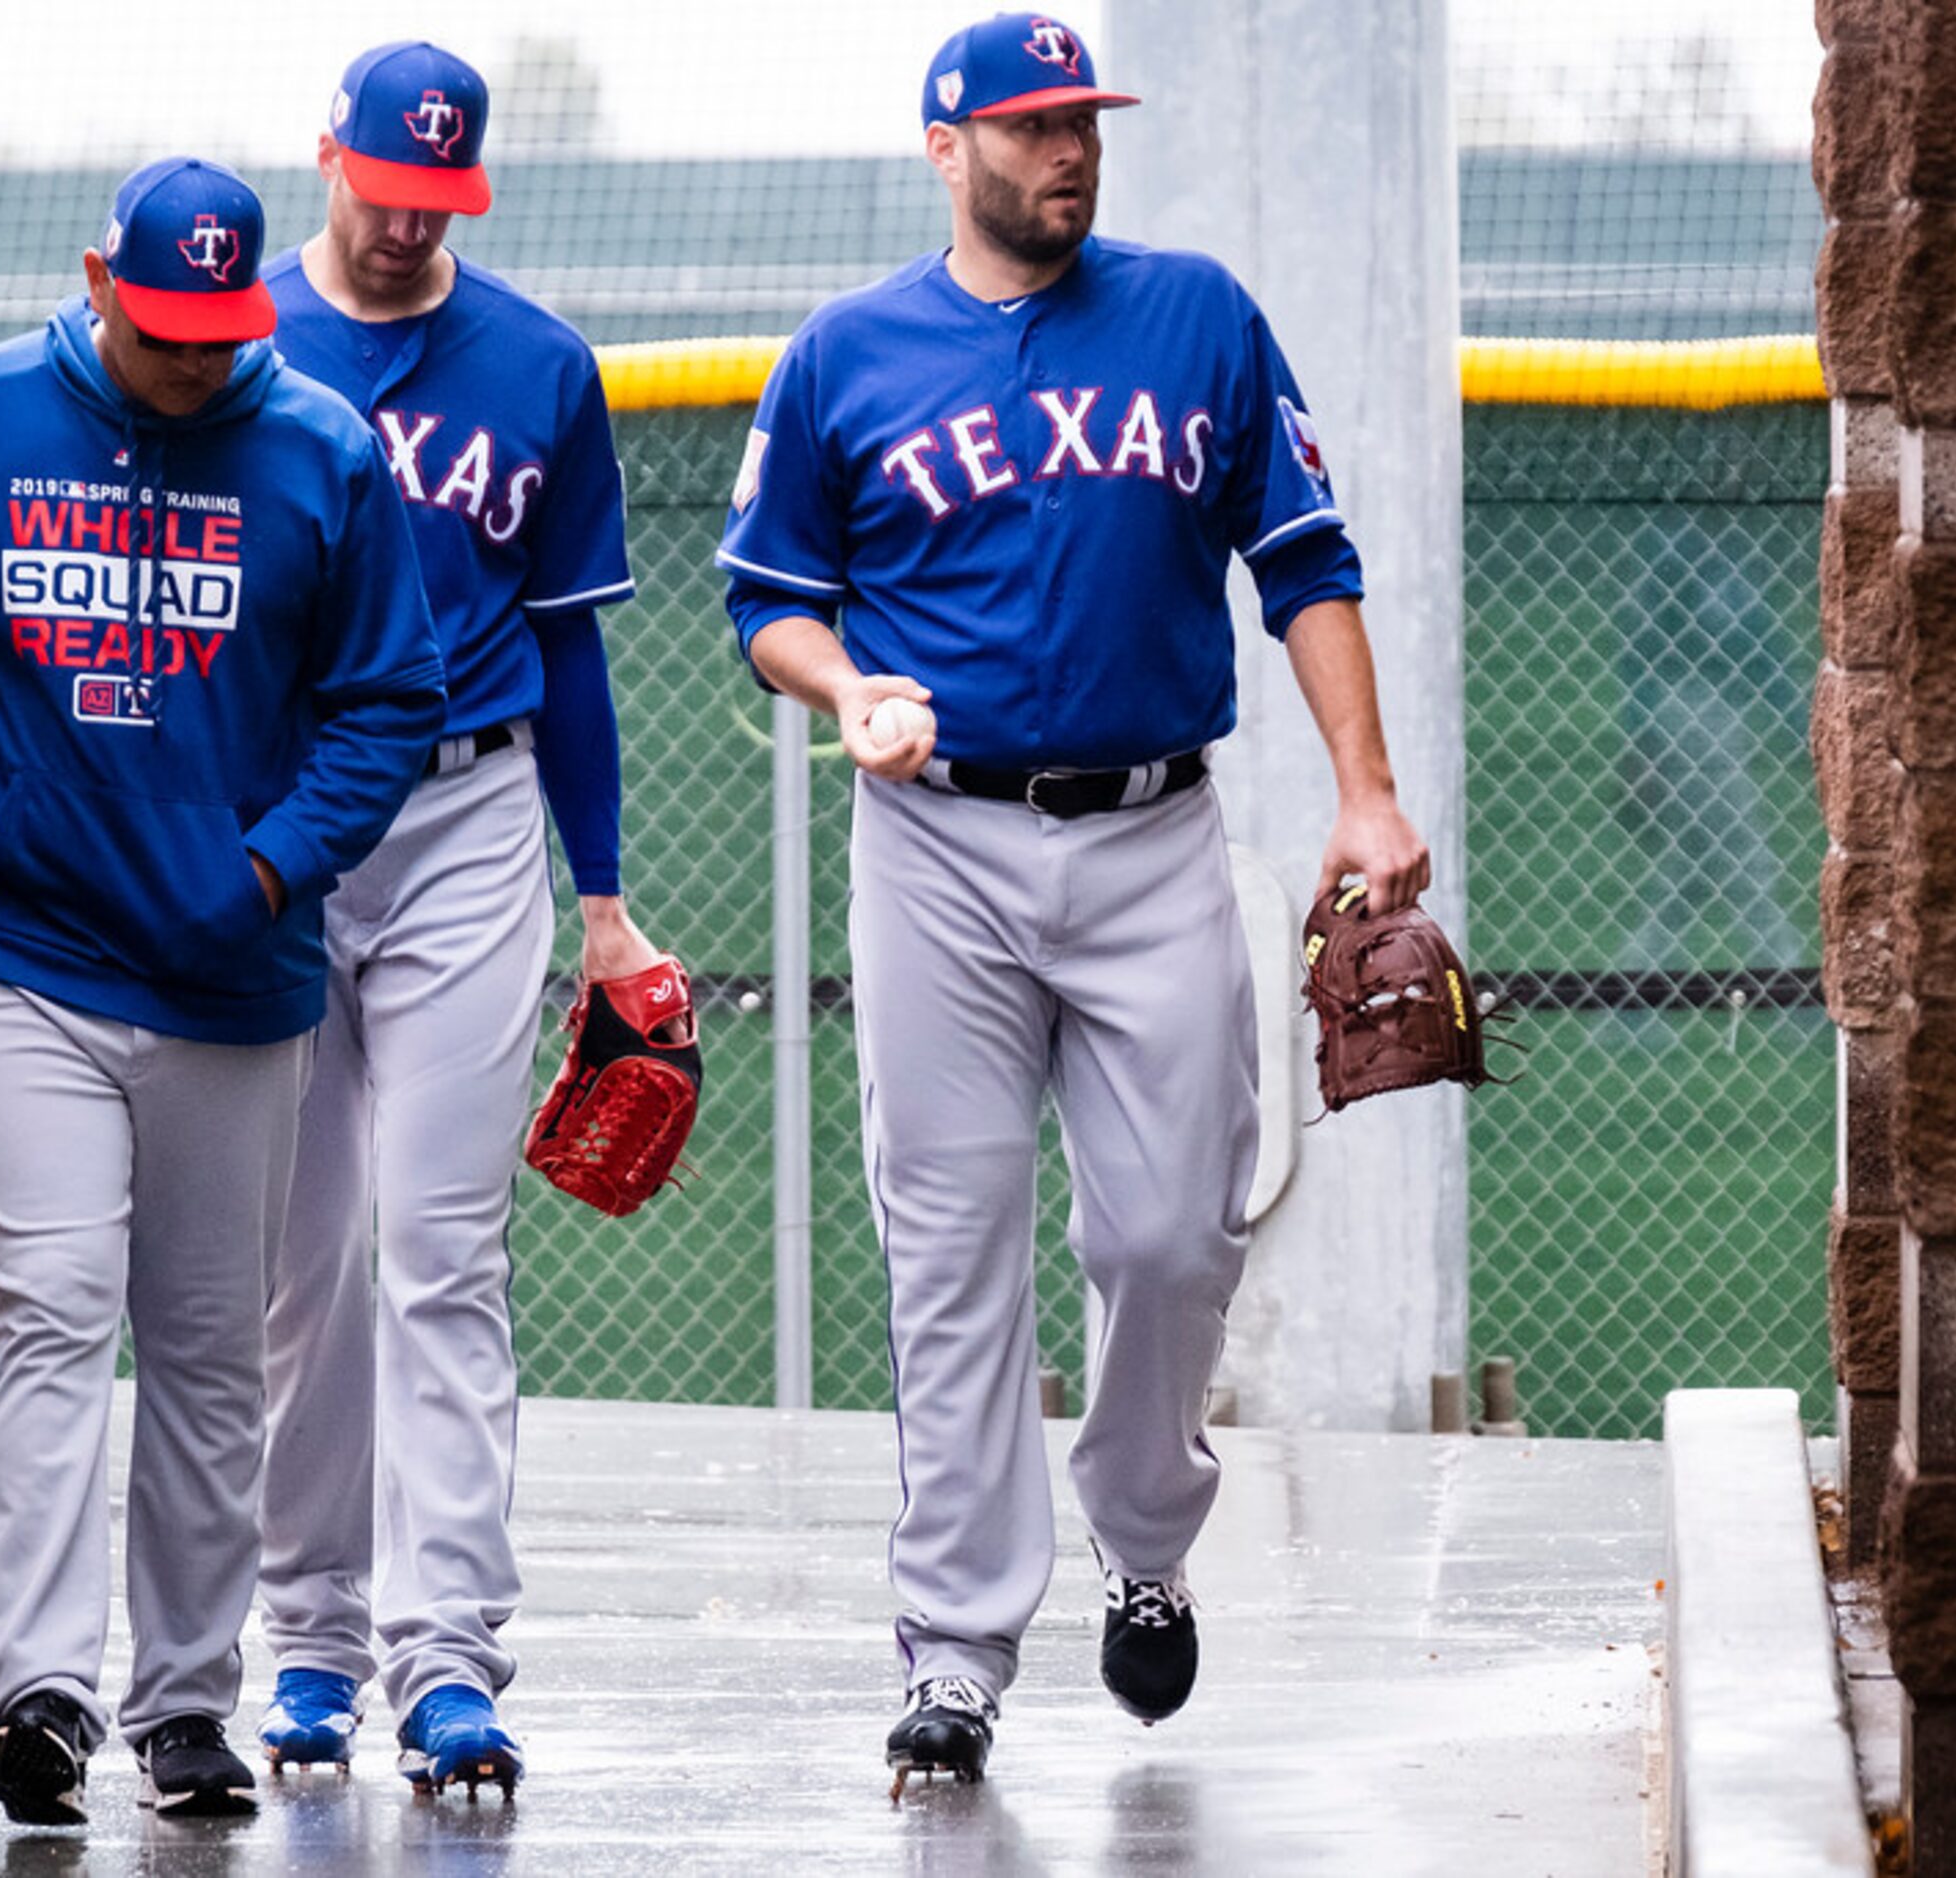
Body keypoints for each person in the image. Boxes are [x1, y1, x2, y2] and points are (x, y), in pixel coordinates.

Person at [715, 14, 1431, 1790]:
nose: (1070, 148)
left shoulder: (1197, 316)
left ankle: (1145, 1531)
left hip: (1151, 833)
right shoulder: (844, 352)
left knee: (1175, 1232)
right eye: (1033, 124)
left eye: (1084, 120)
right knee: (951, 1254)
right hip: (936, 844)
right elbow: (766, 599)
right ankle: (955, 1652)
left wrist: (1365, 786)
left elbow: (1305, 559)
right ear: (945, 145)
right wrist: (843, 685)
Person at [0, 156, 445, 1825]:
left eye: (215, 332)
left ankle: (187, 1704)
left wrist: (266, 866)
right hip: (22, 953)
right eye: (160, 329)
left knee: (205, 1354)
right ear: (97, 277)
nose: (189, 361)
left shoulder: (319, 448)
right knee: (50, 1308)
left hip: (234, 975)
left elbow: (391, 701)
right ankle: (36, 1688)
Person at [250, 41, 659, 1797]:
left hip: (472, 811)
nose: (411, 224)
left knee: (440, 1244)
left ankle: (450, 1658)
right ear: (324, 160)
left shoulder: (537, 364)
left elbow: (568, 644)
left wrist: (612, 899)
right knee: (300, 1264)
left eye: (443, 200)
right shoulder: (230, 330)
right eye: (386, 190)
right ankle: (312, 1643)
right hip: (278, 821)